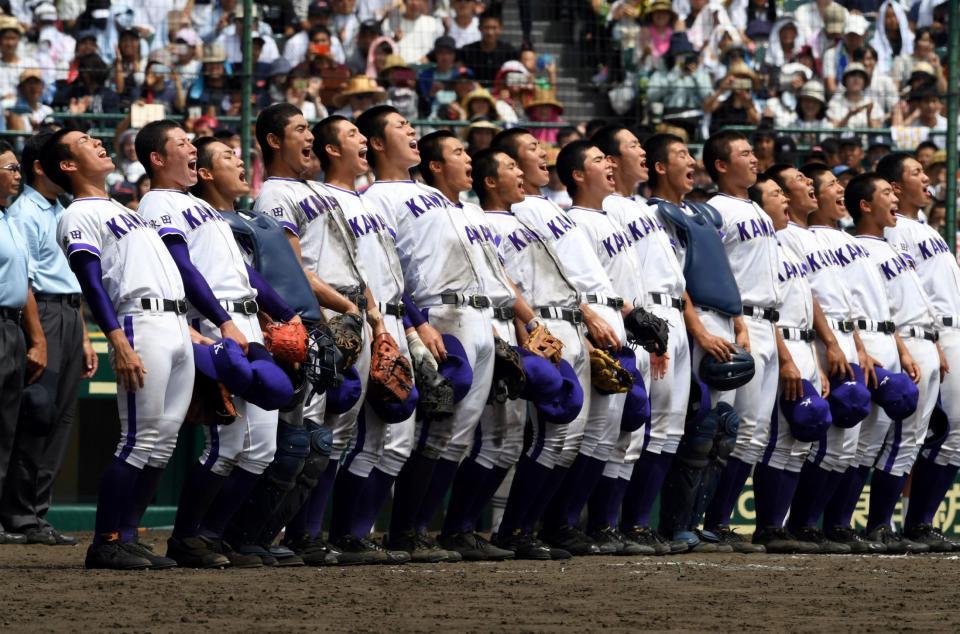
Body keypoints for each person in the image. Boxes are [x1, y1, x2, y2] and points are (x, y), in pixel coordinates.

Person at [45, 128, 193, 569]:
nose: (96, 141)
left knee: (162, 444)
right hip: (138, 321)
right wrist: (117, 341)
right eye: (84, 141)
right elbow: (91, 282)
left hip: (175, 321)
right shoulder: (77, 215)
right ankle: (105, 541)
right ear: (68, 165)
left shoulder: (122, 209)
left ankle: (127, 536)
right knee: (138, 440)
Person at [243, 103, 381, 566]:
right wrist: (338, 310)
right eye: (300, 128)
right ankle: (268, 534)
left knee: (330, 436)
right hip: (318, 315)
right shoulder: (276, 194)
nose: (308, 136)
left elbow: (353, 264)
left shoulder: (317, 192)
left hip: (348, 311)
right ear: (274, 141)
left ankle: (307, 535)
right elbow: (293, 268)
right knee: (299, 432)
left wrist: (371, 313)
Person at [493, 128, 624, 556]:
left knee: (571, 436)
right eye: (529, 150)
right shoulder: (517, 213)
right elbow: (515, 279)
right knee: (548, 433)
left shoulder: (548, 208)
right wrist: (533, 329)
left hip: (571, 320)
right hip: (546, 322)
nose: (542, 154)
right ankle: (513, 528)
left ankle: (533, 528)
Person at [355, 105, 459, 563]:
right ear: (376, 143)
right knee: (385, 435)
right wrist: (418, 324)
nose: (412, 131)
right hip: (419, 314)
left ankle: (402, 533)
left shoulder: (434, 194)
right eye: (400, 127)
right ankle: (353, 533)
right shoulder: (375, 198)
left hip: (433, 316)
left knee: (425, 434)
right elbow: (390, 271)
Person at [307, 114, 410, 563]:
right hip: (346, 318)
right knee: (337, 432)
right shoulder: (319, 199)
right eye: (352, 136)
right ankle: (310, 531)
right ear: (331, 149)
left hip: (384, 319)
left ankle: (351, 533)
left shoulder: (366, 204)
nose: (362, 143)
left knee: (390, 439)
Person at [472, 145, 583, 560]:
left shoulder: (524, 218)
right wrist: (528, 332)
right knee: (515, 437)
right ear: (489, 181)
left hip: (551, 325)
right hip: (521, 329)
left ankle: (522, 528)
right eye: (510, 166)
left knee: (558, 438)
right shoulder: (486, 222)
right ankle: (507, 528)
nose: (520, 173)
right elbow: (507, 284)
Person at [820, 172, 933, 554]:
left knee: (870, 444)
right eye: (886, 192)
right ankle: (833, 522)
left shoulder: (891, 249)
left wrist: (901, 349)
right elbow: (849, 302)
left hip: (890, 336)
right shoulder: (854, 247)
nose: (894, 197)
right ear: (865, 205)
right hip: (864, 339)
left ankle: (845, 523)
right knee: (852, 439)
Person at [597, 127, 690, 555]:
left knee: (668, 429)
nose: (639, 150)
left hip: (671, 316)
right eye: (632, 145)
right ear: (611, 161)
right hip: (641, 315)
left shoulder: (647, 209)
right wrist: (641, 328)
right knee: (631, 426)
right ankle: (607, 523)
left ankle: (636, 523)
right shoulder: (608, 207)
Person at [0, 133, 95, 546]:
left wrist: (87, 337)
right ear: (44, 166)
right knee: (36, 414)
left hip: (70, 311)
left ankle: (36, 513)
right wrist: (38, 335)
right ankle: (20, 513)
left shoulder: (63, 209)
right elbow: (27, 282)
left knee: (60, 417)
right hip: (41, 312)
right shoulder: (23, 211)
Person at [778, 163, 878, 553]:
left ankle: (812, 524)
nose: (837, 191)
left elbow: (841, 301)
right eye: (829, 185)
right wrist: (830, 346)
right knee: (813, 436)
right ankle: (795, 522)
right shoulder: (795, 237)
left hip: (841, 337)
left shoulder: (827, 239)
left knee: (845, 445)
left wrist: (856, 344)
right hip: (815, 339)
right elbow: (811, 300)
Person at [700, 130, 779, 552]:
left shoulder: (759, 211)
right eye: (744, 153)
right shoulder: (716, 210)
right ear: (721, 165)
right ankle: (701, 521)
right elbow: (711, 271)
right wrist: (731, 321)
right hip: (739, 321)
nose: (754, 158)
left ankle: (720, 521)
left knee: (753, 434)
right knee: (726, 430)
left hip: (768, 322)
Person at [876, 153, 960, 551]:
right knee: (909, 434)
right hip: (927, 335)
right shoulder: (896, 230)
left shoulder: (923, 227)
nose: (927, 179)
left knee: (951, 435)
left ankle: (919, 522)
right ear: (894, 187)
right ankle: (887, 523)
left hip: (944, 333)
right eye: (916, 173)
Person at [0, 139, 44, 546]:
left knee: (6, 428)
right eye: (10, 168)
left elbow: (24, 281)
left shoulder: (8, 217)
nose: (18, 175)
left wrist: (33, 336)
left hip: (11, 327)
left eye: (18, 168)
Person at [460, 9, 517, 84]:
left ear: (500, 29)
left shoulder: (509, 52)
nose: (490, 32)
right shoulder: (468, 51)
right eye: (486, 27)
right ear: (479, 28)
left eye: (494, 28)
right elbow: (461, 76)